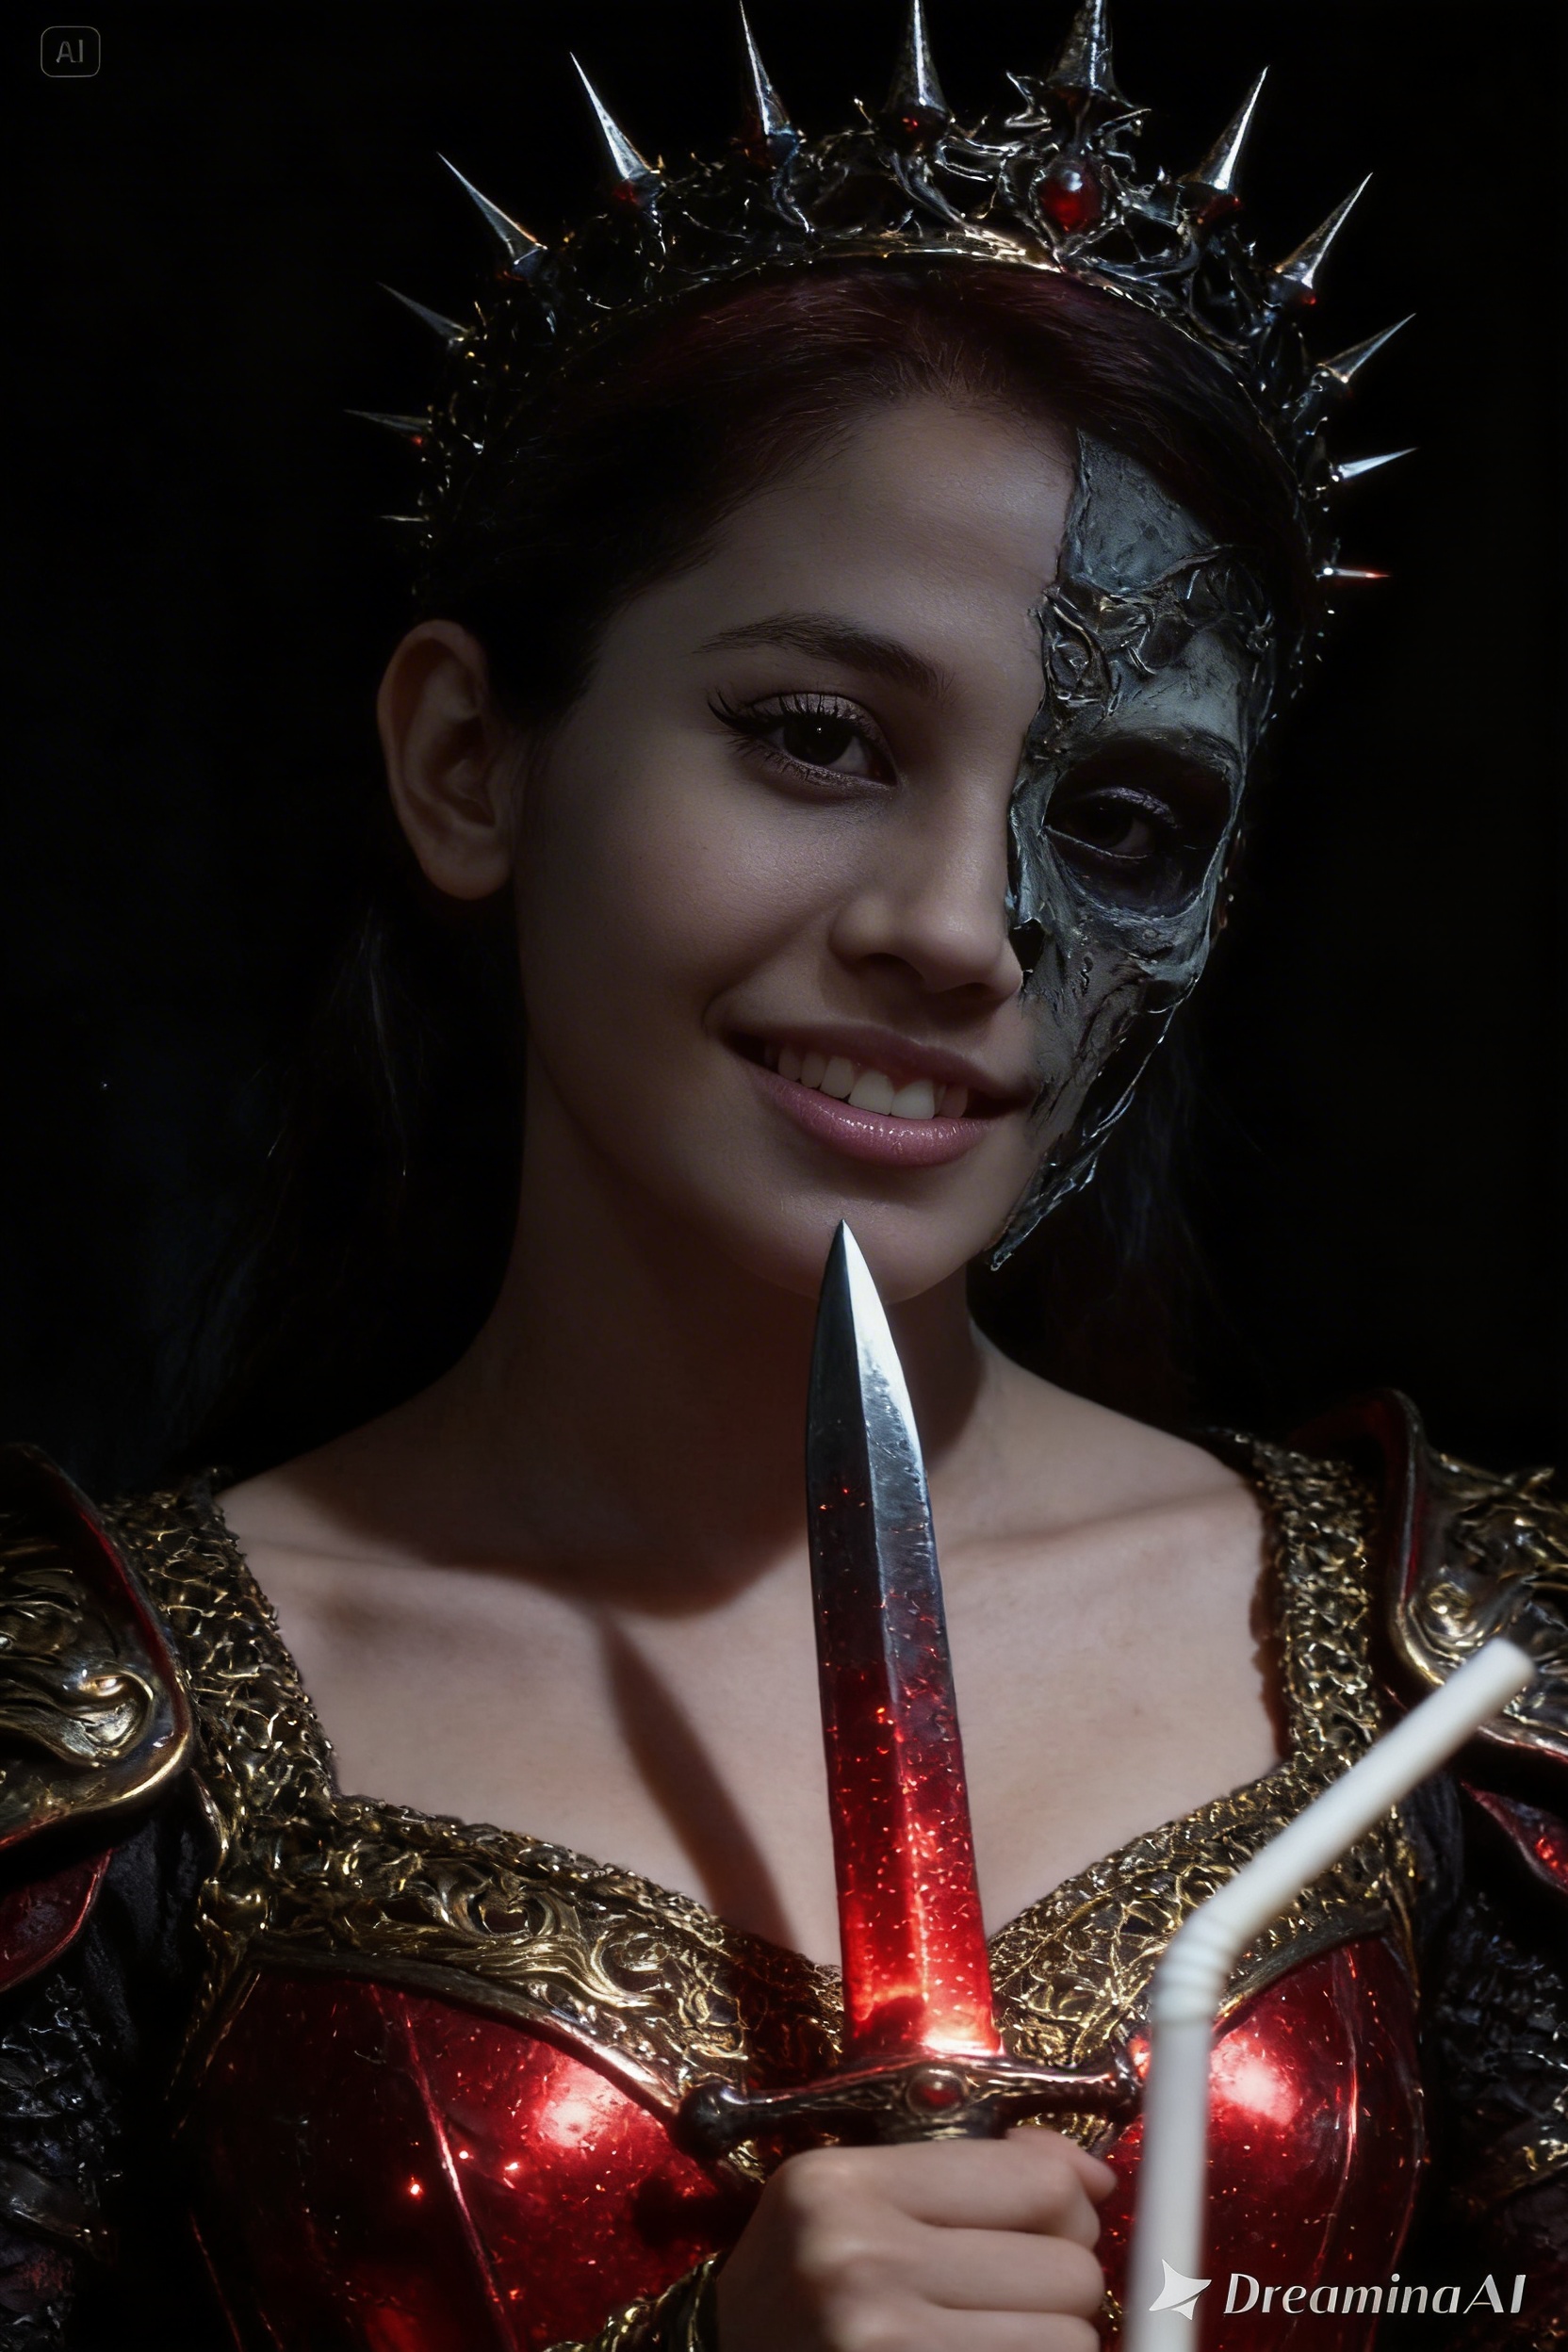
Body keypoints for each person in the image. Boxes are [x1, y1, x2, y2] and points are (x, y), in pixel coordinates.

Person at [2, 6, 1564, 2347]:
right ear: (467, 760)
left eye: (1119, 818)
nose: (958, 930)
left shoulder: (1468, 1687)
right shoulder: (85, 1750)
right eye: (817, 738)